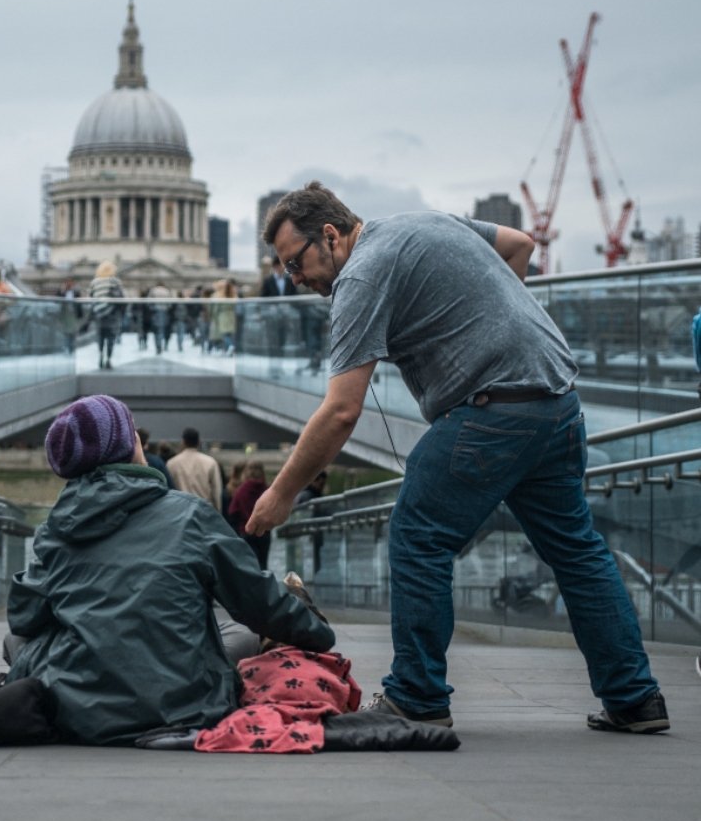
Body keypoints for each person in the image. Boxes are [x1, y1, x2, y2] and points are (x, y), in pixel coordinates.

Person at [246, 180, 668, 734]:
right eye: (285, 272)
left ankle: (417, 697)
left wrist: (279, 494)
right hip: (557, 404)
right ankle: (635, 699)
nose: (294, 280)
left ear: (330, 235)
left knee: (418, 534)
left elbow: (342, 411)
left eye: (296, 264)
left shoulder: (361, 274)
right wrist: (487, 328)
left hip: (492, 411)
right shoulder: (426, 223)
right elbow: (518, 244)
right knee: (577, 551)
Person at [3, 394, 335, 745]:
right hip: (186, 704)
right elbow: (258, 600)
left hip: (78, 711)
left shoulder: (56, 528)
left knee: (15, 641)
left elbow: (23, 619)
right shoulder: (191, 514)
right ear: (130, 444)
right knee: (240, 634)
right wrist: (319, 635)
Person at [166, 427, 223, 511]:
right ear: (198, 442)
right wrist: (218, 510)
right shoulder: (210, 462)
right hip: (203, 510)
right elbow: (216, 491)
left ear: (183, 442)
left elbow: (168, 490)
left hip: (180, 510)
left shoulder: (171, 463)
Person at [227, 460, 271, 569]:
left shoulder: (241, 491)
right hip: (264, 533)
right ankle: (264, 584)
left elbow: (232, 511)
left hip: (246, 532)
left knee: (249, 566)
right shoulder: (267, 490)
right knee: (263, 565)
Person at [88, 260, 124, 370]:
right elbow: (121, 298)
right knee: (110, 338)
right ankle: (108, 359)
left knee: (100, 337)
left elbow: (91, 297)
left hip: (98, 314)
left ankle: (100, 356)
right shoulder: (115, 281)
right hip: (111, 314)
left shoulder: (94, 282)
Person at [296, 469, 329, 573]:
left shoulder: (307, 495)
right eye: (321, 483)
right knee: (312, 565)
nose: (322, 487)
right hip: (311, 536)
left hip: (312, 536)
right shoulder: (309, 496)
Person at [56, 277, 82, 355]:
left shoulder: (76, 292)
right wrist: (62, 290)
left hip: (73, 314)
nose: (69, 284)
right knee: (66, 332)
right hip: (65, 315)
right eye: (68, 283)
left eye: (71, 283)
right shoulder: (62, 292)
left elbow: (79, 303)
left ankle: (72, 347)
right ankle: (67, 347)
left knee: (73, 332)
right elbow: (57, 298)